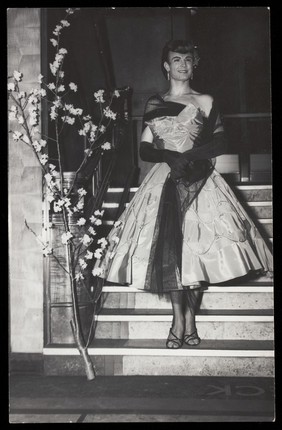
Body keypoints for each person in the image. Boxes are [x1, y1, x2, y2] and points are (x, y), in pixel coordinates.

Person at [94, 40, 273, 349]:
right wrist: (169, 157)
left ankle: (189, 320)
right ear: (167, 66)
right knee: (171, 252)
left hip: (199, 176)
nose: (182, 65)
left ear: (194, 64)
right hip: (165, 178)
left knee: (196, 252)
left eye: (187, 60)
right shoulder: (155, 102)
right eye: (176, 60)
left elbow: (220, 141)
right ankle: (180, 319)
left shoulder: (205, 100)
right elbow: (145, 147)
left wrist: (188, 158)